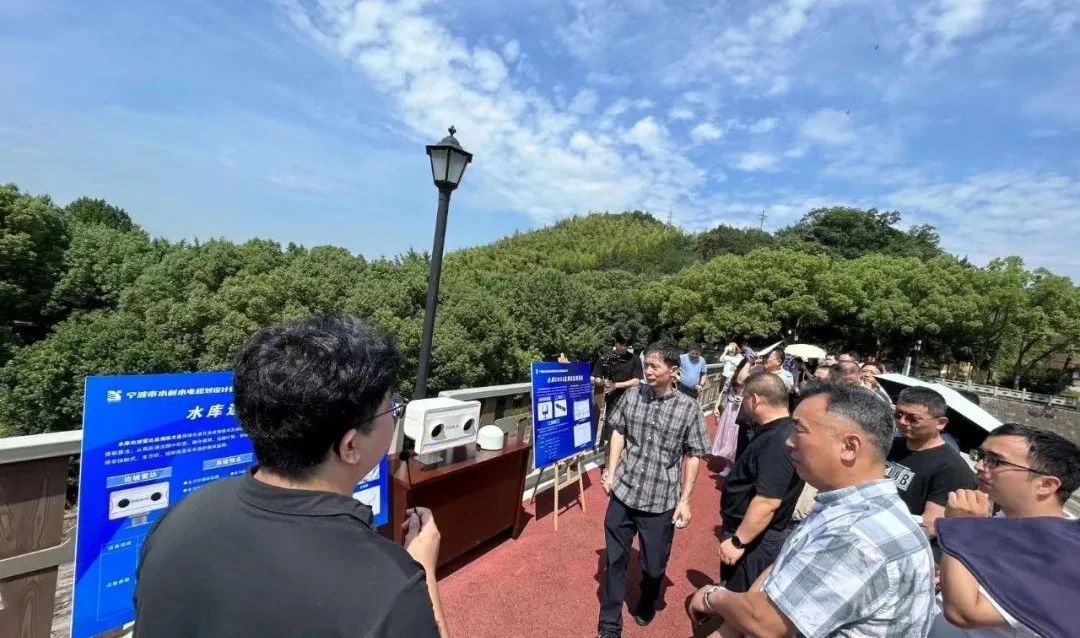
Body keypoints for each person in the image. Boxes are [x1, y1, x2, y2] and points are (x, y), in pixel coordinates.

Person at [134, 315, 446, 638]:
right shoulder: (390, 589)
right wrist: (421, 573)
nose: (395, 415)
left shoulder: (177, 519)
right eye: (391, 408)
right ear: (350, 446)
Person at [689, 381, 936, 637]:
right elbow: (781, 571)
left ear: (849, 447)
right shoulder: (855, 509)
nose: (789, 442)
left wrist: (711, 597)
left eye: (800, 430)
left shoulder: (855, 535)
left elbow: (767, 622)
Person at [596, 342, 710, 638]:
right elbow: (618, 430)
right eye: (646, 365)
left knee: (655, 565)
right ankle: (609, 623)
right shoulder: (632, 395)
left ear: (674, 371)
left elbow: (694, 454)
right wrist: (611, 471)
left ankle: (648, 596)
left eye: (654, 366)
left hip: (660, 500)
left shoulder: (688, 408)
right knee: (615, 560)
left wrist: (685, 500)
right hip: (624, 492)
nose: (648, 371)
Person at [931, 423, 1080, 637]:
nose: (979, 466)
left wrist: (962, 527)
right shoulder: (1002, 520)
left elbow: (965, 613)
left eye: (995, 461)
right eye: (982, 456)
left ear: (1046, 485)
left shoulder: (1062, 552)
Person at [718, 372, 804, 593]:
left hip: (755, 540)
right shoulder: (782, 431)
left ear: (755, 400)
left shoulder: (776, 440)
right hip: (753, 535)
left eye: (745, 398)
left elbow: (768, 500)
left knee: (737, 598)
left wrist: (738, 541)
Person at [886, 387, 976, 540]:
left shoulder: (952, 468)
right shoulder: (891, 445)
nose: (902, 422)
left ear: (940, 423)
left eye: (913, 419)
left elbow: (932, 524)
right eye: (898, 414)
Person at [592, 329, 644, 479]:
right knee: (610, 438)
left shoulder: (635, 359)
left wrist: (617, 385)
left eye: (626, 345)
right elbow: (596, 377)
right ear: (615, 342)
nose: (623, 347)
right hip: (612, 404)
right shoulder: (605, 357)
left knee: (628, 438)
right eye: (621, 344)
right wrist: (603, 382)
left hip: (631, 402)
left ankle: (622, 466)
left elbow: (636, 380)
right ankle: (607, 468)